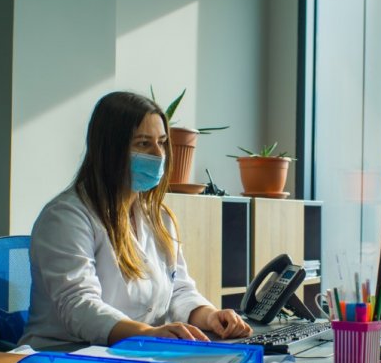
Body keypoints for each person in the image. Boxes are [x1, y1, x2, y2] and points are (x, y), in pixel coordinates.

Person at [19, 91, 252, 348]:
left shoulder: (158, 217)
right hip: (66, 355)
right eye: (143, 144)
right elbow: (79, 306)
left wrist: (209, 315)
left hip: (136, 353)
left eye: (162, 142)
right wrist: (148, 334)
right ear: (110, 150)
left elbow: (179, 290)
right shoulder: (66, 217)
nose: (158, 154)